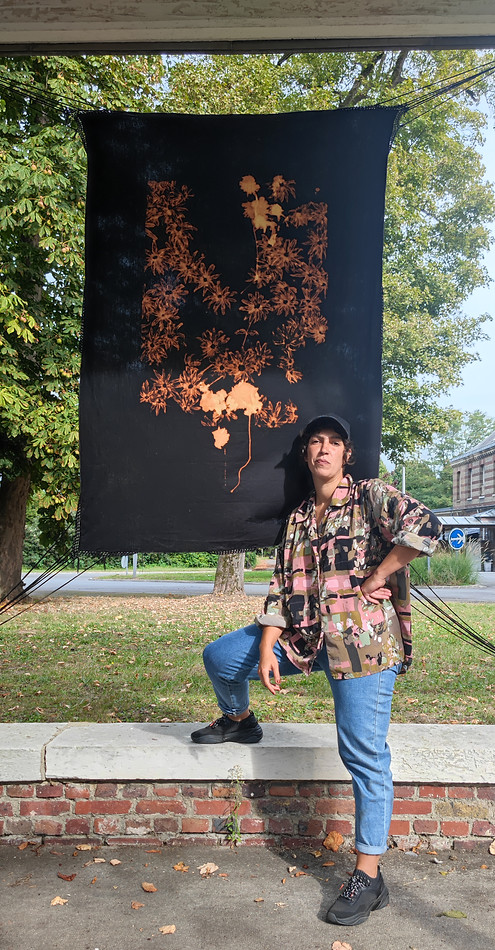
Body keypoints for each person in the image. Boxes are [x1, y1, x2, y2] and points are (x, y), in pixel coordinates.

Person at [191, 414, 441, 927]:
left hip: (361, 646)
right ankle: (239, 720)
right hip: (304, 641)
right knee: (220, 658)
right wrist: (266, 647)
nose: (323, 449)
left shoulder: (371, 496)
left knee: (364, 755)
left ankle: (368, 875)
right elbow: (281, 589)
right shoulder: (301, 515)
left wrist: (382, 573)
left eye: (333, 443)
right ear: (306, 454)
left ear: (346, 454)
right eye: (315, 443)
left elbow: (429, 528)